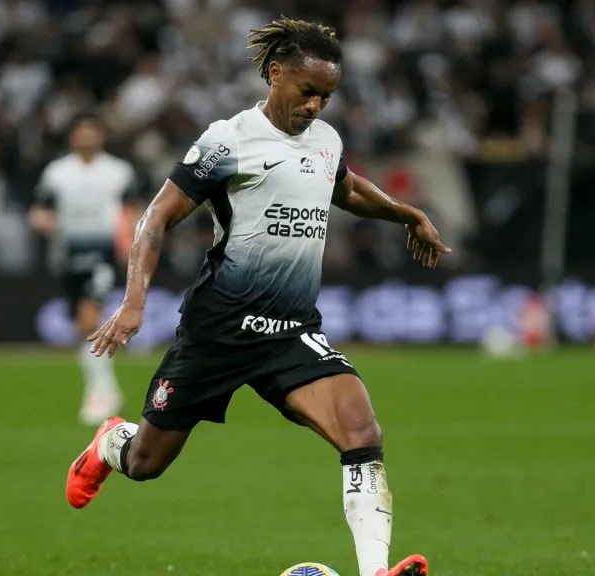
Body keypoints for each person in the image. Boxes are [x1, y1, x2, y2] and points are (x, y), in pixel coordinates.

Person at [66, 17, 451, 576]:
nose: (317, 105)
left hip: (291, 331)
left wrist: (405, 214)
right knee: (147, 463)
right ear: (276, 74)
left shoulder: (326, 140)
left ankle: (374, 572)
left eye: (327, 96)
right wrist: (133, 302)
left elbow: (343, 187)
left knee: (362, 432)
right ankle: (111, 443)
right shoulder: (229, 139)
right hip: (217, 331)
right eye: (308, 91)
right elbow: (155, 219)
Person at [30, 112, 141, 425]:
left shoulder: (118, 171)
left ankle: (99, 394)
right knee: (82, 326)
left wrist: (134, 242)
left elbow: (134, 209)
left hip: (103, 252)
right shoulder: (58, 172)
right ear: (72, 137)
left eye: (93, 132)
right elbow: (40, 208)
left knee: (90, 316)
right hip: (69, 253)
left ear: (101, 137)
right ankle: (107, 388)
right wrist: (42, 220)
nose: (87, 138)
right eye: (82, 132)